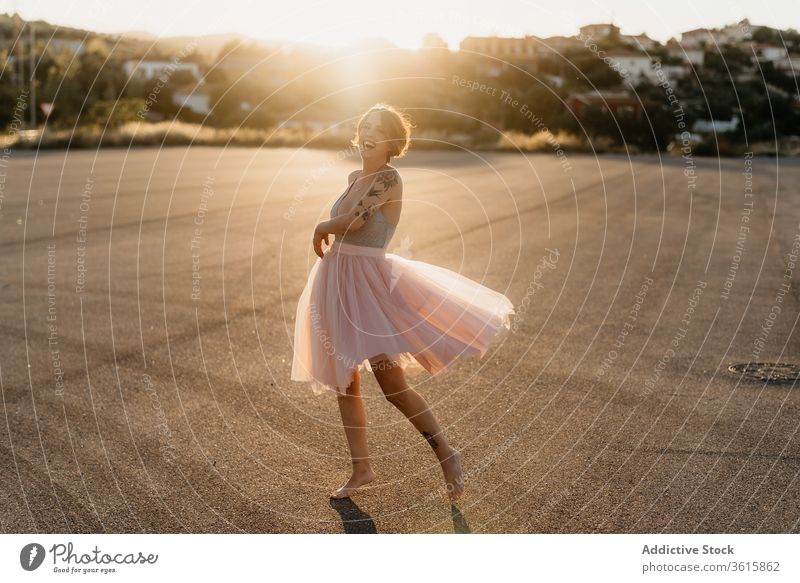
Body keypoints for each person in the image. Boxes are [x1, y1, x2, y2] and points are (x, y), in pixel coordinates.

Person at [291, 103, 515, 501]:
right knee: (346, 381)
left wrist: (321, 225)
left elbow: (357, 221)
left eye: (376, 127)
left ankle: (446, 452)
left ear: (393, 140)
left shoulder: (389, 179)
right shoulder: (354, 176)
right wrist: (327, 231)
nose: (367, 132)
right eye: (363, 125)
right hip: (336, 281)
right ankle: (362, 469)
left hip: (369, 287)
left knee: (391, 384)